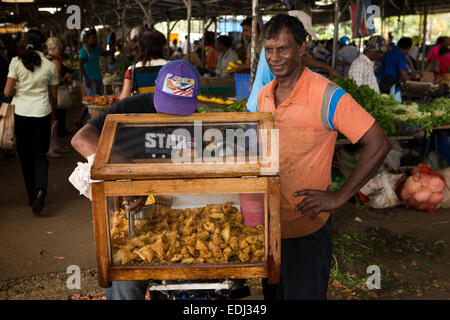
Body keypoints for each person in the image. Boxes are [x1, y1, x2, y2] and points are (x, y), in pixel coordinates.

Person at [257, 14, 391, 299]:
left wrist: (340, 196)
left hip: (307, 229)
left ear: (302, 49)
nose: (275, 57)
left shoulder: (328, 95)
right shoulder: (264, 95)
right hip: (269, 229)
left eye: (283, 49)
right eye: (269, 49)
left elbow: (378, 143)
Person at [71, 60, 201, 300]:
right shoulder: (129, 108)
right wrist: (132, 177)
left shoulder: (198, 122)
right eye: (167, 104)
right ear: (155, 87)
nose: (172, 113)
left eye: (180, 107)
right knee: (126, 286)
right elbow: (81, 139)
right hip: (129, 220)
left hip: (178, 218)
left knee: (176, 285)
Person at [4, 30, 59, 215]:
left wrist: (19, 89)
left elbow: (7, 92)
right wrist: (52, 116)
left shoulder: (16, 62)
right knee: (40, 155)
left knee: (25, 156)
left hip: (21, 114)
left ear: (25, 42)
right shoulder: (50, 66)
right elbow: (53, 97)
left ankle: (31, 196)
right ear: (43, 45)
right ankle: (42, 189)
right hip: (42, 113)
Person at [246, 10, 342, 112]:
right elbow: (301, 59)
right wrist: (328, 68)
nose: (274, 57)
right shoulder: (275, 49)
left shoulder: (275, 48)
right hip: (262, 108)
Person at [77, 28, 116, 126]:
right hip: (90, 79)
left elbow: (106, 54)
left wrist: (115, 45)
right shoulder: (84, 50)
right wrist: (86, 79)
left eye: (95, 38)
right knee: (91, 101)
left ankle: (95, 120)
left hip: (98, 78)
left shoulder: (97, 49)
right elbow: (80, 65)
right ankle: (83, 120)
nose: (95, 40)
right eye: (93, 38)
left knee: (101, 100)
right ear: (87, 39)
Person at [119, 28, 168, 99]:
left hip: (141, 109)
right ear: (161, 46)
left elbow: (123, 98)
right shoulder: (170, 67)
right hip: (164, 109)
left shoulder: (132, 70)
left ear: (141, 47)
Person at [45, 37, 72, 158]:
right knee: (53, 121)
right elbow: (56, 82)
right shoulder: (55, 62)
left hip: (44, 93)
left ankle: (55, 146)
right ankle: (51, 148)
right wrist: (66, 77)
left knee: (53, 121)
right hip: (52, 94)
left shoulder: (45, 59)